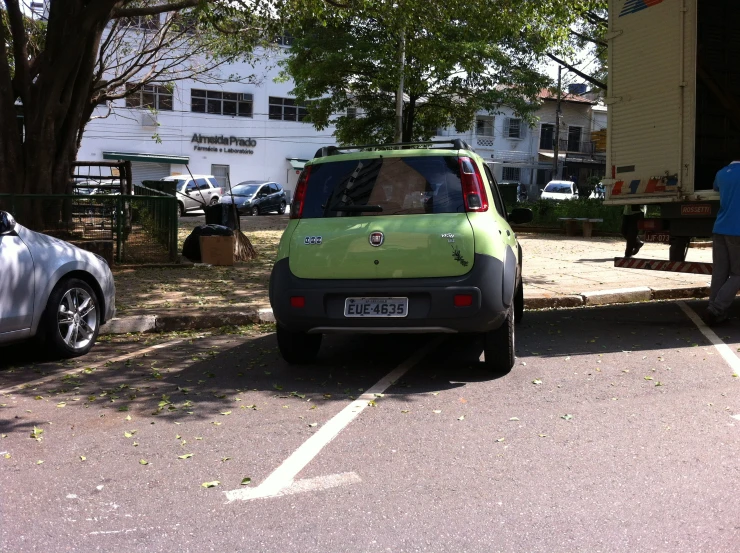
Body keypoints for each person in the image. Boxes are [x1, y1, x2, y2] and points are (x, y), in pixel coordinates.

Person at [703, 161, 740, 326]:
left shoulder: (721, 173)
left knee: (720, 272)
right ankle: (716, 309)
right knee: (738, 274)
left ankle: (715, 312)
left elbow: (715, 189)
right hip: (737, 230)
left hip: (720, 228)